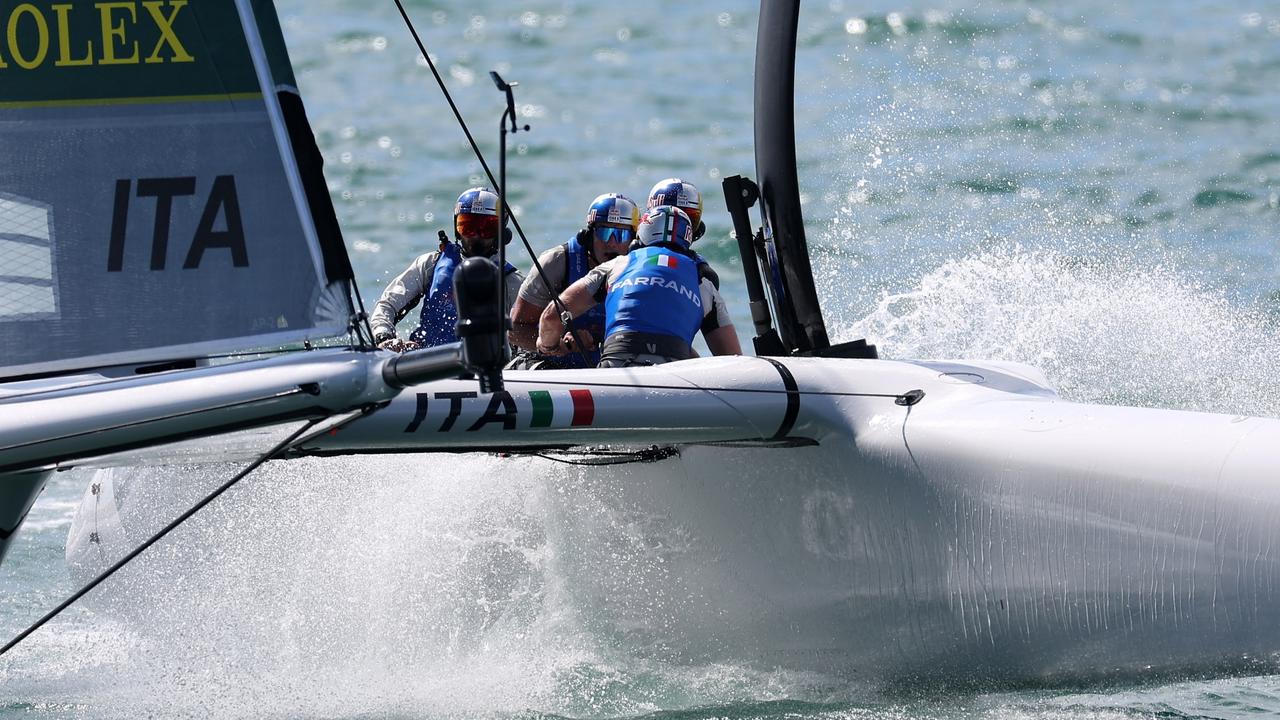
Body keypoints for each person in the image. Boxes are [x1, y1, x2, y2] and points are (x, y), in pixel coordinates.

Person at [537, 206, 741, 368]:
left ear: (639, 239)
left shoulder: (617, 265)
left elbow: (551, 316)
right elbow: (733, 362)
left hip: (615, 366)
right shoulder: (703, 282)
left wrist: (549, 347)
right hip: (675, 374)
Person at [371, 187, 523, 351]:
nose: (476, 236)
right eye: (467, 226)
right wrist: (385, 337)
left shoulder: (512, 282)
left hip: (483, 369)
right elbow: (387, 305)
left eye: (487, 228)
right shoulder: (430, 264)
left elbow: (528, 335)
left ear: (501, 232)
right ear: (456, 228)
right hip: (426, 363)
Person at [507, 193, 640, 369]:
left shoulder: (640, 270)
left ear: (633, 241)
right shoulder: (556, 262)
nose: (612, 243)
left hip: (606, 371)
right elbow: (515, 330)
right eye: (605, 232)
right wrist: (556, 343)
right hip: (546, 365)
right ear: (588, 235)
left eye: (620, 234)